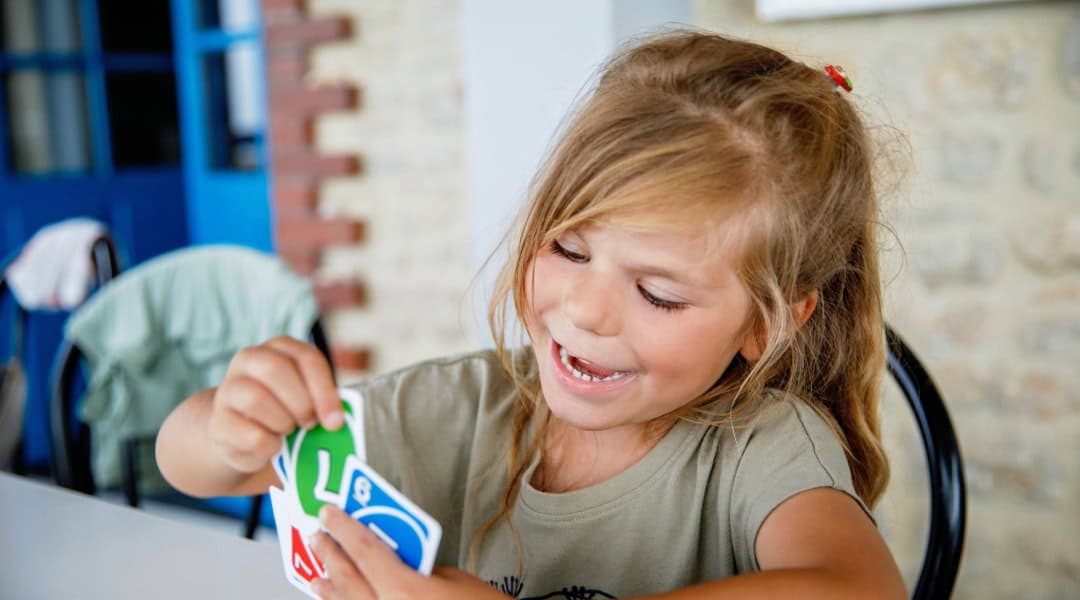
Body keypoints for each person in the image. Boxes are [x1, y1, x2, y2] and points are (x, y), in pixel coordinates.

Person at [157, 29, 906, 599]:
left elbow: (858, 590)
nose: (585, 309)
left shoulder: (763, 446)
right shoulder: (467, 405)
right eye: (569, 250)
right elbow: (190, 462)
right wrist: (229, 428)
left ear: (765, 326)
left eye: (659, 294)